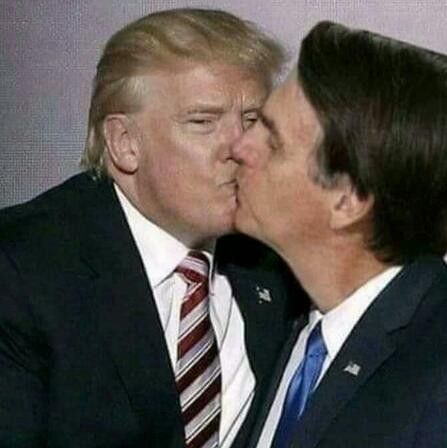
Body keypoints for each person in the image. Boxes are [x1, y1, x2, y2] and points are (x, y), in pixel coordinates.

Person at [0, 8, 298, 448]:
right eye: (203, 122)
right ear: (125, 143)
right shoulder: (21, 271)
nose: (242, 148)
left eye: (252, 121)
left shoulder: (278, 260)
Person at [232, 21, 447, 448]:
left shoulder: (434, 380)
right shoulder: (273, 313)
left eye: (273, 142)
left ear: (347, 200)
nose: (239, 147)